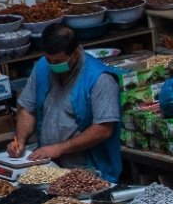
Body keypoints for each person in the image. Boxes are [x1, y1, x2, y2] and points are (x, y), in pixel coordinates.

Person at [9, 24, 122, 181]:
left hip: (89, 170)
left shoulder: (100, 79)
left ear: (75, 52)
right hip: (50, 167)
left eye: (59, 61)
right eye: (49, 60)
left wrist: (59, 148)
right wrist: (20, 139)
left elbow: (103, 129)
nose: (53, 65)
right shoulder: (43, 66)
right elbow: (28, 109)